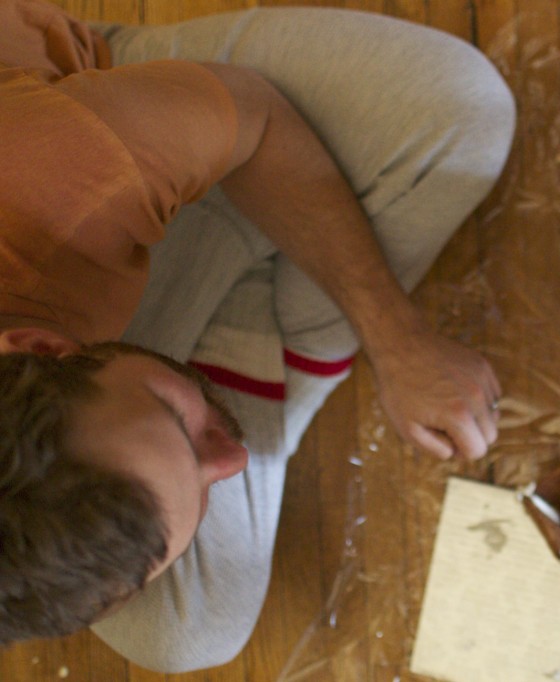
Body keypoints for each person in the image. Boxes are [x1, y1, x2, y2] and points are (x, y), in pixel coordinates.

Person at [0, 0, 514, 672]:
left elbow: (257, 118)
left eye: (179, 425)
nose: (235, 458)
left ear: (44, 348)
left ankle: (244, 260)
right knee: (185, 634)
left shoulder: (54, 168)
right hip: (101, 281)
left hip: (95, 113)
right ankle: (251, 283)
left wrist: (398, 339)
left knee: (461, 107)